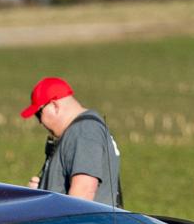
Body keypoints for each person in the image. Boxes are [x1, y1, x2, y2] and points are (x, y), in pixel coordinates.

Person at [20, 77, 122, 207]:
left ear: (55, 105)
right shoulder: (82, 129)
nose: (40, 122)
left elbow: (83, 192)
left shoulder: (84, 131)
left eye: (38, 114)